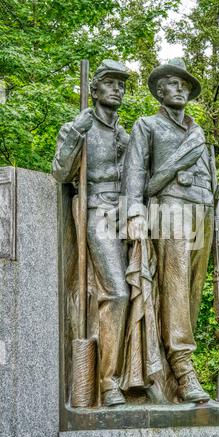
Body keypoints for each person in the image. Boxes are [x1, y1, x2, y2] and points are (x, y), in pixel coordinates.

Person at [122, 58, 219, 403]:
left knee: (192, 295)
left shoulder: (200, 134)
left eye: (184, 84)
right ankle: (183, 369)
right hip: (170, 210)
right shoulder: (148, 125)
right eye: (172, 83)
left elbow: (214, 186)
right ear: (159, 91)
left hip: (203, 214)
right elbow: (135, 173)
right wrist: (134, 214)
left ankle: (179, 363)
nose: (180, 88)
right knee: (176, 290)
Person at [52, 59, 130, 406]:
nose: (118, 89)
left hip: (127, 217)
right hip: (95, 211)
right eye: (111, 83)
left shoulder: (125, 136)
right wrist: (75, 131)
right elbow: (60, 173)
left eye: (122, 84)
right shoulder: (80, 127)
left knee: (142, 290)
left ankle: (137, 375)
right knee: (117, 293)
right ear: (94, 89)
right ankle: (108, 380)